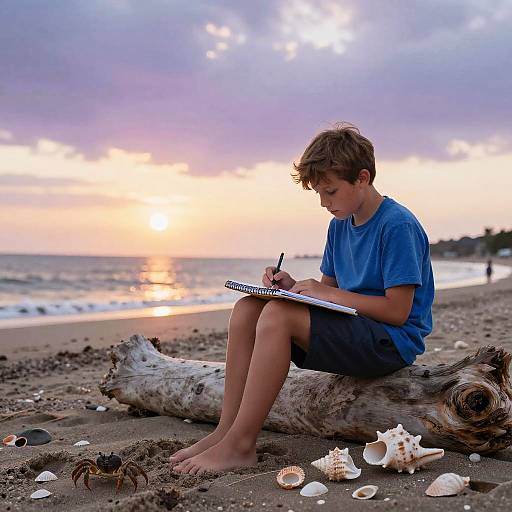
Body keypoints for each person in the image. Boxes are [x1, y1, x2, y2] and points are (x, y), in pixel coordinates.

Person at [170, 122, 434, 475]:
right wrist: (290, 287)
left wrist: (322, 293)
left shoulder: (396, 225)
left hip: (390, 343)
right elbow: (328, 298)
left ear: (362, 178)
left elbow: (398, 312)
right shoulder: (340, 223)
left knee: (279, 316)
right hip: (357, 330)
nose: (325, 203)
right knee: (249, 308)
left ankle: (242, 445)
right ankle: (226, 430)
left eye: (331, 191)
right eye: (319, 195)